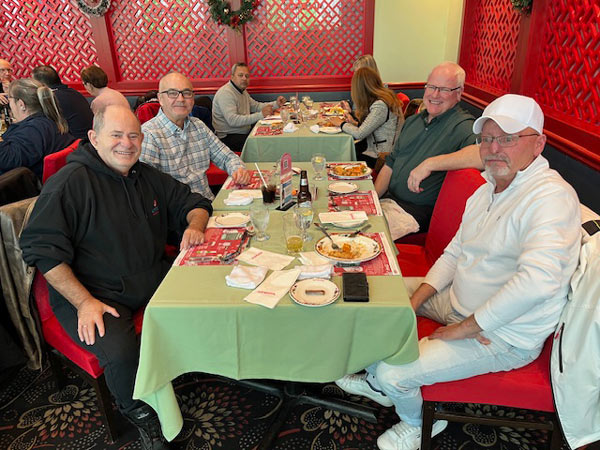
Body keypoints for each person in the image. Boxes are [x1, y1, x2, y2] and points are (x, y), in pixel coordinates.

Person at [335, 94, 582, 450]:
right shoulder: (487, 189)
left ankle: (417, 423)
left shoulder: (551, 198)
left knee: (392, 371)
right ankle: (380, 384)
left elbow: (538, 281)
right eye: (487, 138)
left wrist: (466, 328)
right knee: (374, 293)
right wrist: (414, 300)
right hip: (457, 301)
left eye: (508, 138)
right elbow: (453, 254)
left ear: (538, 143)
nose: (494, 148)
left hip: (501, 335)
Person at [20, 105, 213, 450]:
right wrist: (83, 302)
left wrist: (195, 226)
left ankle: (193, 362)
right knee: (121, 354)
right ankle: (140, 414)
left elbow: (194, 202)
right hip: (94, 293)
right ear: (94, 138)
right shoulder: (68, 184)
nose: (127, 143)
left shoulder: (145, 175)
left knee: (208, 287)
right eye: (116, 135)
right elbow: (42, 252)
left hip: (149, 275)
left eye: (133, 135)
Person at [374, 62, 476, 240]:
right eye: (431, 87)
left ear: (459, 93)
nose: (435, 95)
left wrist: (431, 164)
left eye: (444, 90)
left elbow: (482, 155)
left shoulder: (463, 125)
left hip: (415, 213)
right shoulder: (413, 122)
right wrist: (372, 200)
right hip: (389, 201)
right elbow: (390, 165)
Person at [141, 72, 250, 200]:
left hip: (207, 202)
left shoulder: (198, 126)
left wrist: (238, 170)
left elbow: (226, 156)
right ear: (160, 98)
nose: (181, 99)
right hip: (177, 209)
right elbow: (146, 189)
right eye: (173, 93)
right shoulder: (149, 135)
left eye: (186, 93)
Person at [0, 78, 75, 179]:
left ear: (21, 104)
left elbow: (7, 161)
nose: (10, 105)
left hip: (26, 185)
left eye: (10, 100)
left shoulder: (34, 130)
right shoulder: (48, 120)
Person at [329, 67, 404, 168]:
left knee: (342, 154)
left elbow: (359, 134)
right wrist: (353, 122)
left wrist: (341, 124)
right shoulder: (383, 99)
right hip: (377, 148)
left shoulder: (380, 105)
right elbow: (373, 125)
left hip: (381, 156)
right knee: (346, 150)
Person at [212, 62, 286, 151]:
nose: (244, 78)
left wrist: (276, 104)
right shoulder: (226, 93)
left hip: (243, 132)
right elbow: (233, 121)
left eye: (247, 76)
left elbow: (256, 106)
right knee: (265, 144)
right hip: (228, 138)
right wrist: (261, 115)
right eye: (240, 75)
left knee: (273, 133)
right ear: (232, 77)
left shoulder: (242, 91)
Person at [32, 65, 94, 139]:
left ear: (43, 85)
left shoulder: (53, 98)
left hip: (79, 141)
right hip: (91, 136)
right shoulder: (73, 92)